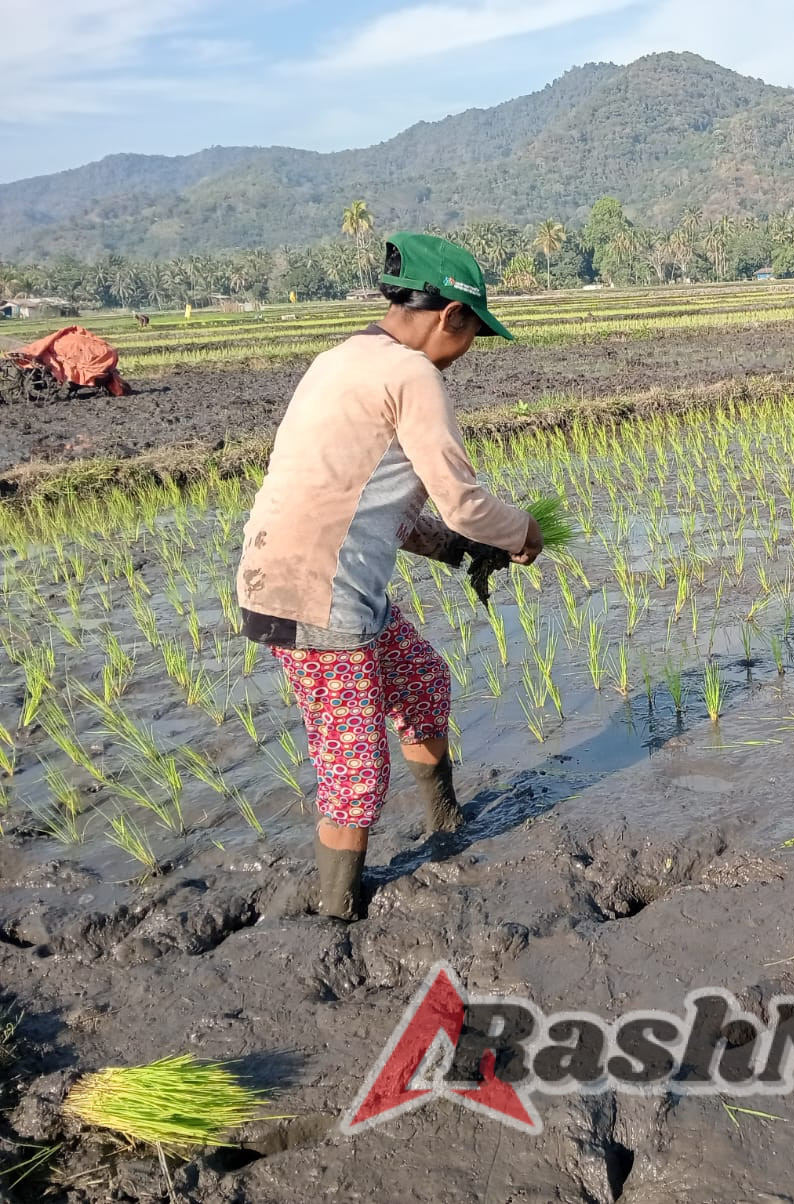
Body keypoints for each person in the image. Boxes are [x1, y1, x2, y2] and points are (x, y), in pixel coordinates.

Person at [236, 233, 542, 921]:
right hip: (318, 598)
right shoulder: (413, 375)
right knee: (354, 772)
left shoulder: (341, 360)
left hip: (301, 578)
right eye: (471, 335)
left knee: (422, 681)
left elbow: (371, 504)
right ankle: (333, 913)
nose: (466, 353)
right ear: (449, 318)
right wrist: (522, 533)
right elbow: (463, 499)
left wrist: (455, 551)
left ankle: (445, 825)